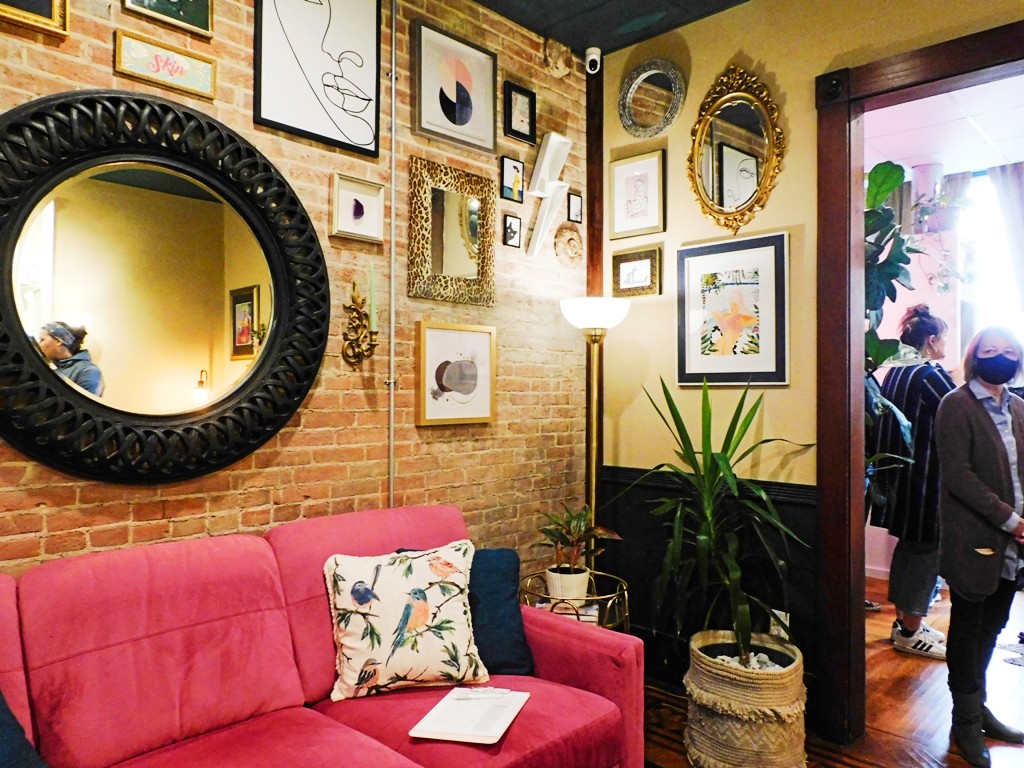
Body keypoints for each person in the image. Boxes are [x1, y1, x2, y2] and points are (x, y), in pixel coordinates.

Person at [935, 326, 1024, 767]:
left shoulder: (1019, 407)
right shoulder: (956, 405)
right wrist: (1011, 519)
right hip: (976, 539)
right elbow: (959, 475)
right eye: (990, 350)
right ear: (974, 356)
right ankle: (965, 720)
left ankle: (978, 706)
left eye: (1008, 351)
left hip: (1014, 543)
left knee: (994, 625)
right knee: (969, 630)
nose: (999, 357)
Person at [869, 305, 954, 659]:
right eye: (943, 338)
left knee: (909, 548)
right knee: (926, 551)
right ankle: (910, 631)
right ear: (931, 341)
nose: (945, 344)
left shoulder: (896, 372)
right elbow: (959, 411)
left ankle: (905, 623)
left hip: (900, 477)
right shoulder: (929, 374)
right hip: (926, 480)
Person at [37, 322, 104, 396]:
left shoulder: (88, 371)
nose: (39, 344)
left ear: (58, 341)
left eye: (42, 340)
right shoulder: (54, 368)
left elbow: (81, 402)